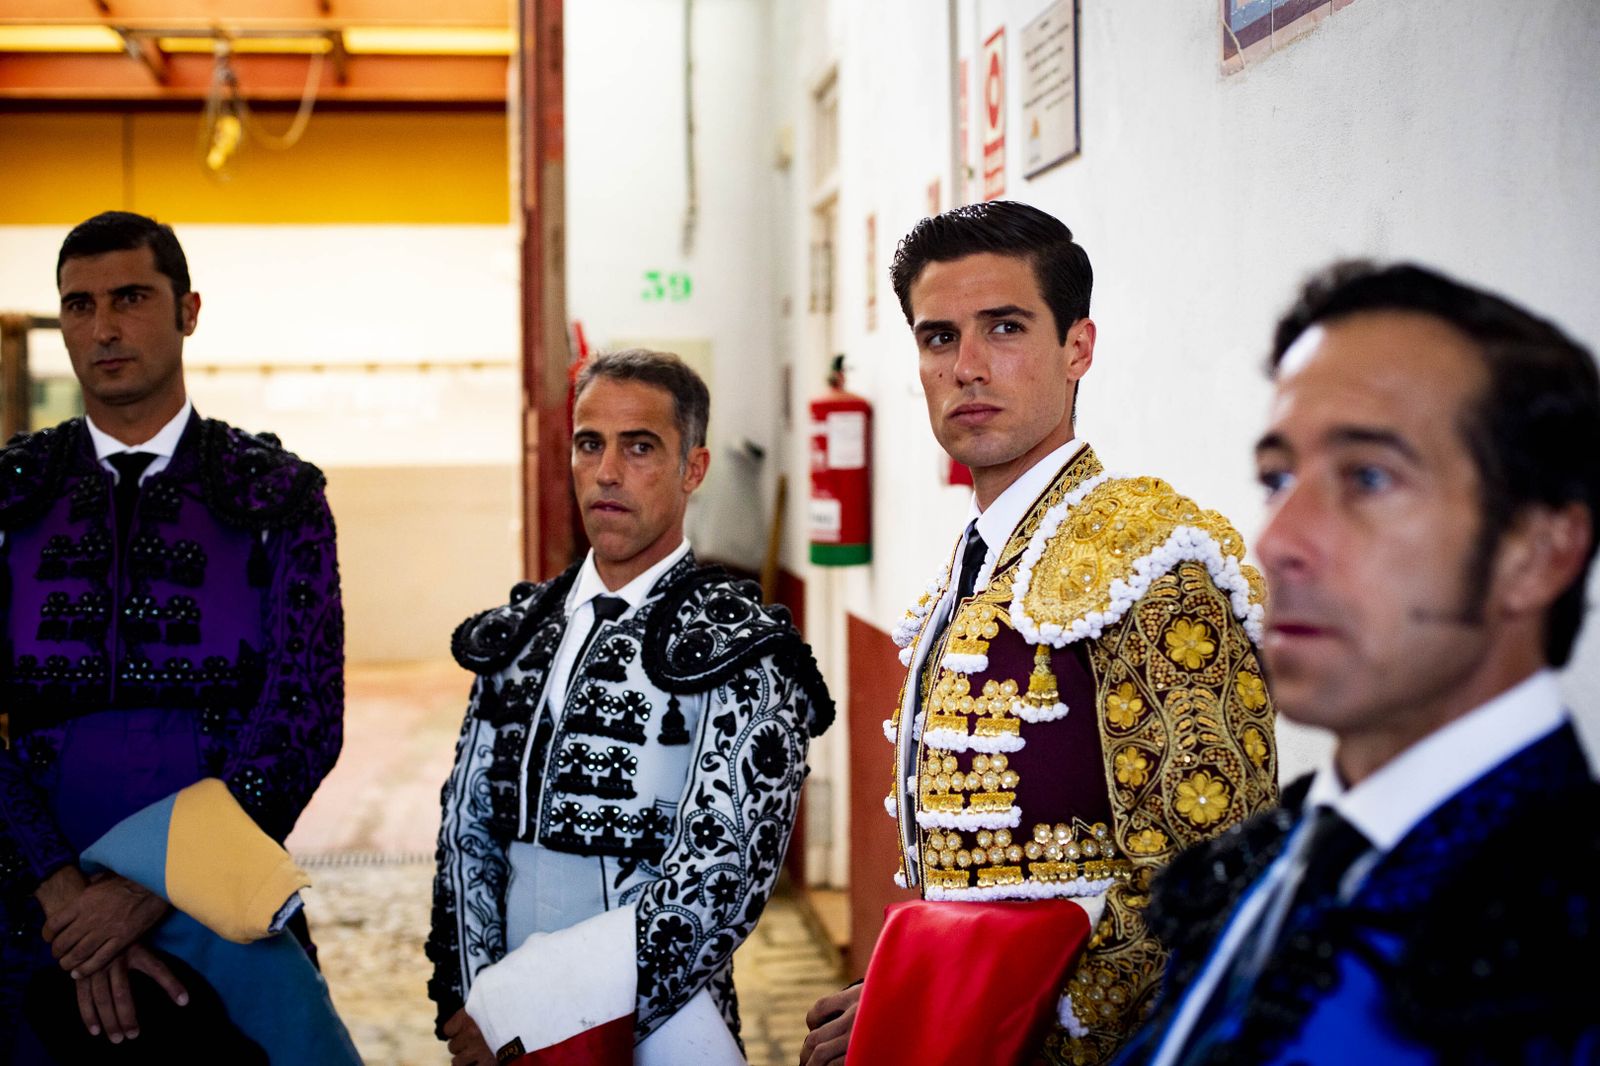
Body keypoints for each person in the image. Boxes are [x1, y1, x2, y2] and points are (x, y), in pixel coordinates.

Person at [802, 201, 1280, 1066]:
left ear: (1078, 349)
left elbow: (1211, 882)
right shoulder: (977, 562)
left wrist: (965, 1020)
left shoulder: (1151, 562)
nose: (968, 367)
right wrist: (913, 992)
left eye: (1006, 327)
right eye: (939, 338)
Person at [1118, 262, 1600, 1064]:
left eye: (1368, 478)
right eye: (1277, 478)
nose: (1276, 539)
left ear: (1537, 552)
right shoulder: (1269, 856)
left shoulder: (1568, 942)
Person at [0, 211, 348, 1060]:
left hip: (219, 901)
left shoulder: (277, 494)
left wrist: (143, 893)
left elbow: (304, 721)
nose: (104, 327)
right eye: (78, 306)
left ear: (188, 310)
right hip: (30, 906)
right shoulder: (9, 495)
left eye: (131, 298)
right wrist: (67, 901)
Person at [427, 349, 833, 1064]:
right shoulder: (515, 636)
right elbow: (467, 835)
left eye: (639, 447)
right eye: (590, 444)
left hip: (667, 1021)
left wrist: (532, 1009)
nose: (607, 472)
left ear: (693, 469)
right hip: (500, 1026)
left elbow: (724, 876)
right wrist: (478, 1002)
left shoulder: (748, 652)